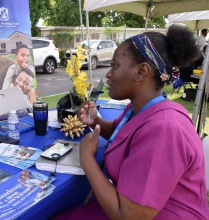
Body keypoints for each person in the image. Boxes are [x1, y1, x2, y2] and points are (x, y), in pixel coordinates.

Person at [52, 25, 209, 219]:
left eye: (115, 65)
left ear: (141, 71)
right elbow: (120, 132)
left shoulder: (163, 129)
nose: (108, 74)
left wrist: (87, 158)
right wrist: (95, 121)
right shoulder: (143, 107)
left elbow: (129, 216)